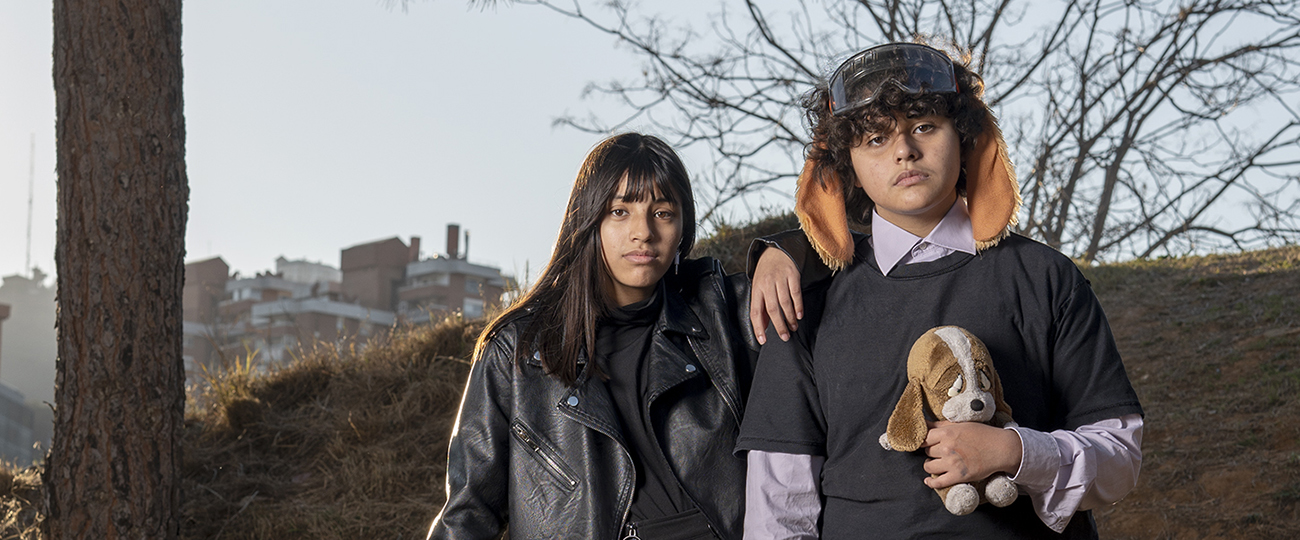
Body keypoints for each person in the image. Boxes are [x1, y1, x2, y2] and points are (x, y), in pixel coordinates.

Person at [737, 43, 1144, 538]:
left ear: (965, 137)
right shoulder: (805, 298)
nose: (904, 150)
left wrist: (1015, 451)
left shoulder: (1046, 277)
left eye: (925, 126)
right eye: (875, 138)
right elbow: (779, 504)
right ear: (848, 167)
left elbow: (1121, 459)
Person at [426, 132, 766, 540]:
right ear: (589, 221)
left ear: (682, 228)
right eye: (620, 211)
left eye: (662, 213)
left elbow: (829, 273)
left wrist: (781, 251)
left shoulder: (721, 312)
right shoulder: (518, 352)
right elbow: (467, 513)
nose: (643, 232)